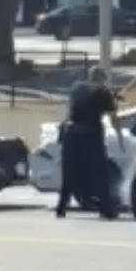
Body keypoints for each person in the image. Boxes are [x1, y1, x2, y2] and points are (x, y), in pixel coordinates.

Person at [55, 66, 124, 220]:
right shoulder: (103, 92)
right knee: (100, 173)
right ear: (102, 79)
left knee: (69, 173)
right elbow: (114, 118)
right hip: (91, 135)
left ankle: (61, 207)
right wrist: (120, 137)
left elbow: (69, 110)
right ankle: (106, 209)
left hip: (71, 135)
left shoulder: (76, 88)